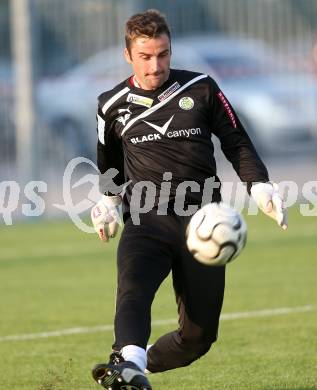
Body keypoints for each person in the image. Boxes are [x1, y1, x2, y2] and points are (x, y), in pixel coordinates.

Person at [90, 9, 288, 390]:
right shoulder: (110, 104)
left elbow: (236, 140)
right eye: (145, 56)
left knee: (198, 338)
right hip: (147, 218)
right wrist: (111, 202)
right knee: (133, 289)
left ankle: (135, 364)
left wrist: (259, 186)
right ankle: (127, 362)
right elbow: (109, 162)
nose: (155, 65)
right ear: (128, 55)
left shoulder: (201, 87)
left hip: (205, 222)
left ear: (171, 50)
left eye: (163, 54)